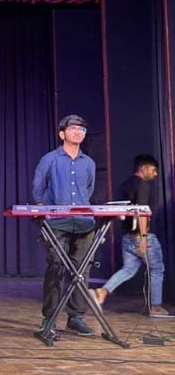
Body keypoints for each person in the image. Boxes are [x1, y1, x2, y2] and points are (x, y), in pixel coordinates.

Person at [32, 114, 96, 337]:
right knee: (57, 267)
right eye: (73, 128)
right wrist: (46, 212)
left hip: (84, 223)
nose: (78, 132)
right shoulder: (49, 159)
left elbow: (88, 190)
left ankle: (75, 317)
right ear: (62, 134)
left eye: (82, 129)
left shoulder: (89, 163)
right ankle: (49, 318)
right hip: (57, 223)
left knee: (81, 270)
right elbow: (37, 190)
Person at [90, 154, 170, 317]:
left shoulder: (124, 185)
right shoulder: (142, 185)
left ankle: (102, 292)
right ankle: (155, 307)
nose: (155, 174)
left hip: (127, 236)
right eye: (153, 170)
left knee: (129, 269)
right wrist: (143, 237)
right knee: (157, 268)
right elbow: (141, 212)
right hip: (142, 235)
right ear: (144, 168)